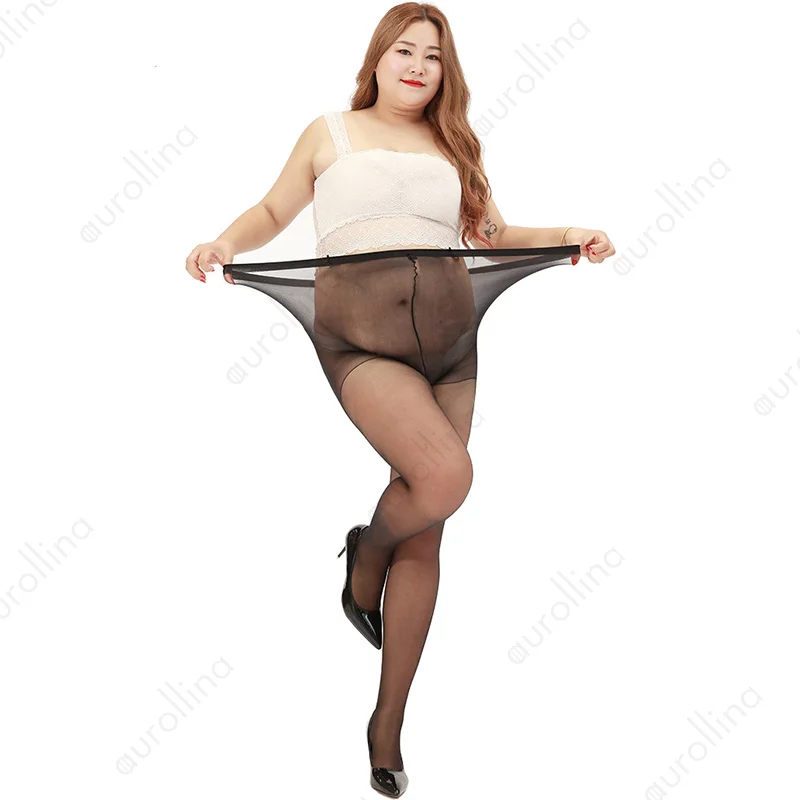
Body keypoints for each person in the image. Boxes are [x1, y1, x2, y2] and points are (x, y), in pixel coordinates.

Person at [184, 3, 615, 796]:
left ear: (447, 72)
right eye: (404, 50)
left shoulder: (454, 143)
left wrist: (571, 233)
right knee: (445, 477)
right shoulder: (331, 132)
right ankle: (368, 553)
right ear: (378, 58)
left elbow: (491, 234)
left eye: (434, 56)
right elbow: (275, 210)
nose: (418, 66)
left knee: (431, 523)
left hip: (450, 342)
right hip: (361, 341)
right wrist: (225, 243)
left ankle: (387, 723)